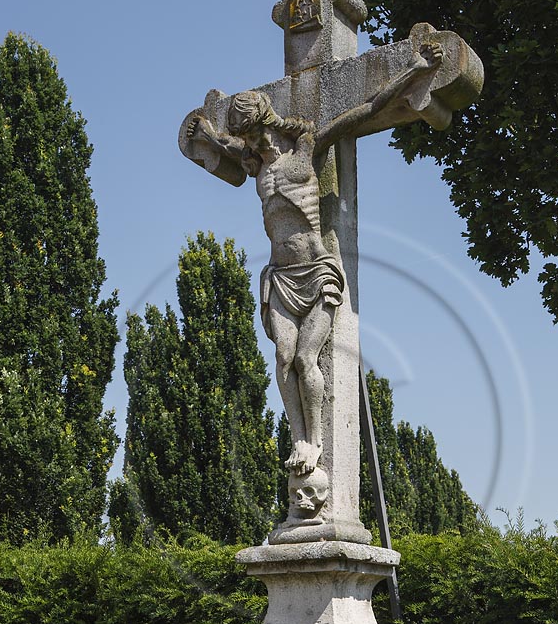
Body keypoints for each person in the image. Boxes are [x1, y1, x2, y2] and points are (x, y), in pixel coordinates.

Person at [186, 42, 442, 475]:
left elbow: (365, 108)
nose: (250, 144)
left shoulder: (306, 149)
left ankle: (315, 442)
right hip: (280, 276)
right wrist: (207, 135)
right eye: (246, 138)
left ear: (266, 125)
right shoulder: (256, 167)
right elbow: (228, 150)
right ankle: (298, 438)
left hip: (317, 271)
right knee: (283, 358)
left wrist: (415, 67)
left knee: (307, 359)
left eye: (253, 134)